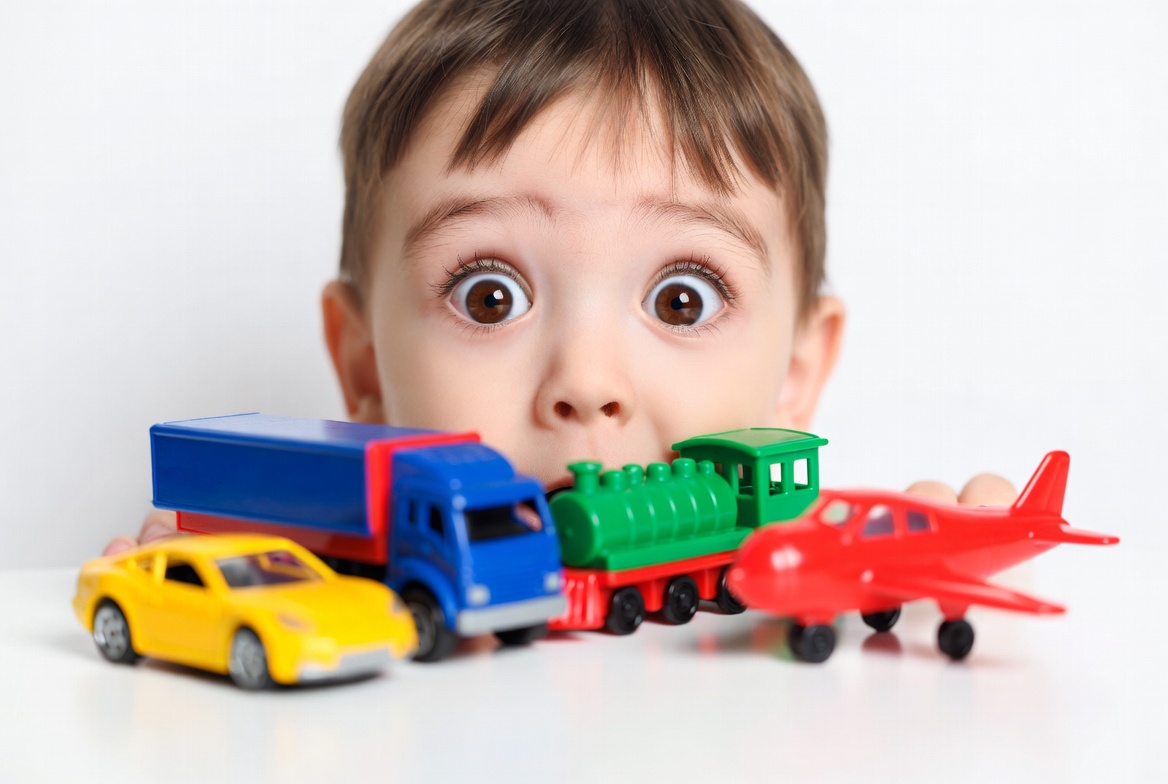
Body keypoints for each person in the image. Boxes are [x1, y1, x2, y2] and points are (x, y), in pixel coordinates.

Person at [105, 0, 1014, 556]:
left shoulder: (799, 600)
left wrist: (915, 606)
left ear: (798, 375)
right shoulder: (340, 589)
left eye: (681, 299)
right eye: (488, 295)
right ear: (366, 369)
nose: (585, 383)